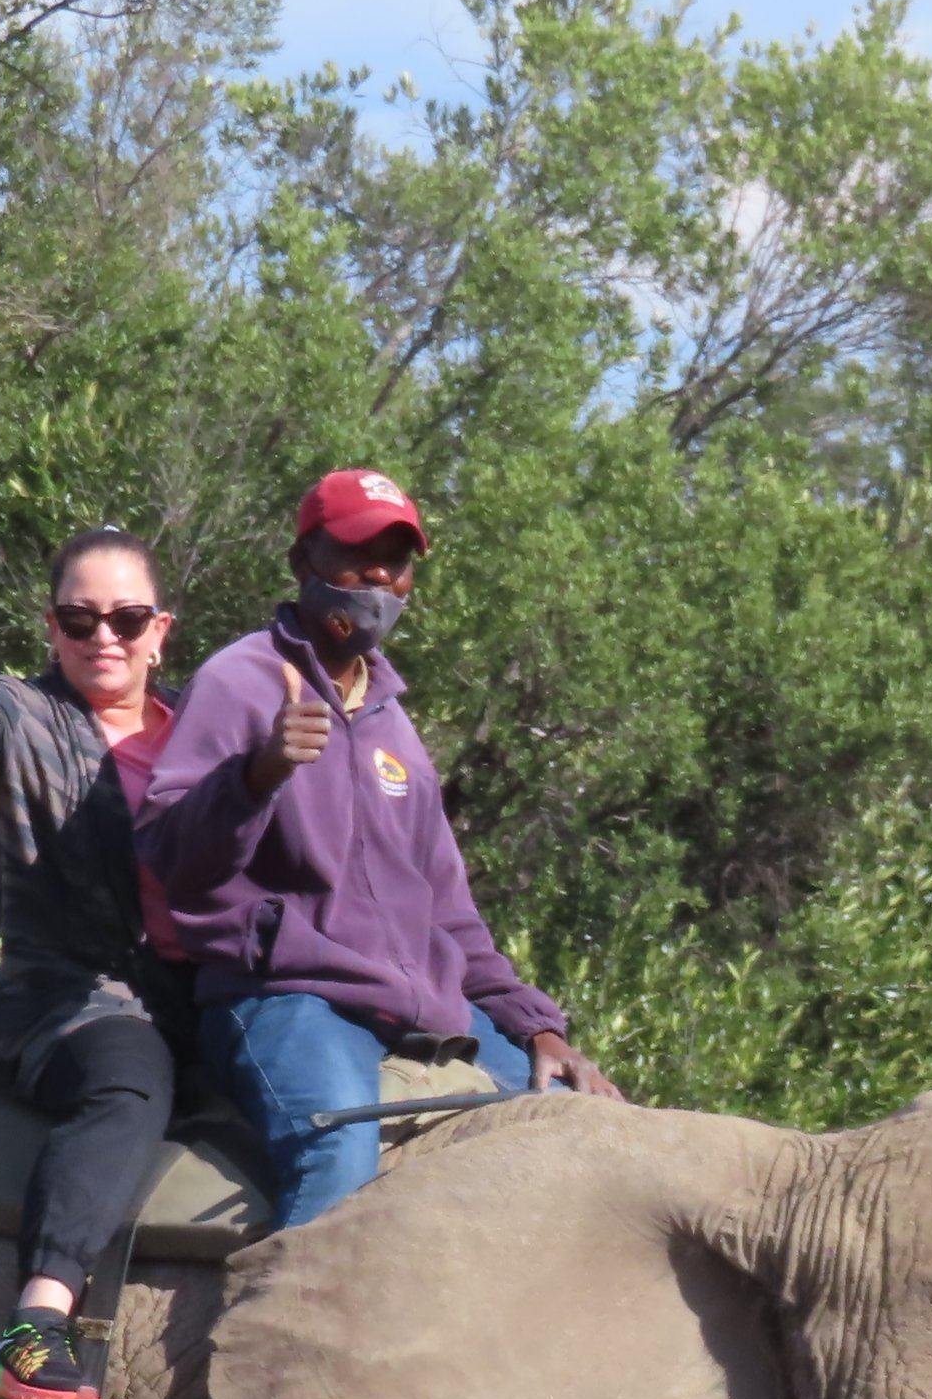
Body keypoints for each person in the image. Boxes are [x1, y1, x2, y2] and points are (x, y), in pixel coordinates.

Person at [136, 468, 618, 1227]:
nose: (381, 579)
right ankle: (284, 1345)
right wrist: (255, 776)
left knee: (584, 1129)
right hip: (286, 995)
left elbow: (450, 914)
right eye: (360, 554)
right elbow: (172, 858)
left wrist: (537, 1028)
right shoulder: (241, 680)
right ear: (304, 563)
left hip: (417, 1001)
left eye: (398, 562)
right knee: (341, 1152)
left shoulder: (395, 724)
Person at [0, 524, 184, 1399]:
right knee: (129, 1086)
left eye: (127, 619)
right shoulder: (20, 713)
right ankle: (34, 1326)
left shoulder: (202, 729)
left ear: (160, 630)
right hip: (62, 999)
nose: (104, 639)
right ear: (50, 627)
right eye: (78, 618)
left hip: (188, 994)